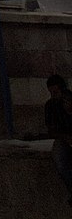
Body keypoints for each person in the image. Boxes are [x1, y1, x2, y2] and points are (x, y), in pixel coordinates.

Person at [43, 75, 72, 205]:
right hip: (63, 138)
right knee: (60, 161)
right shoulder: (50, 106)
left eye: (56, 92)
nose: (53, 95)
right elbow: (51, 129)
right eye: (51, 93)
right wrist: (64, 137)